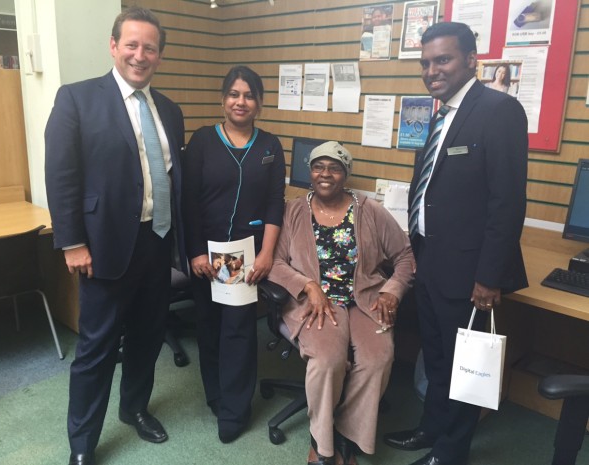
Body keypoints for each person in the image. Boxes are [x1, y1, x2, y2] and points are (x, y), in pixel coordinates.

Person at [44, 7, 187, 465]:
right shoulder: (77, 100)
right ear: (113, 46)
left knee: (148, 335)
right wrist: (72, 241)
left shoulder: (169, 109)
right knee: (96, 347)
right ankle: (82, 444)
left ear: (159, 55)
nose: (140, 55)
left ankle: (135, 409)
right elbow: (62, 176)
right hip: (103, 245)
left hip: (156, 241)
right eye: (132, 45)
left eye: (149, 48)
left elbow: (171, 174)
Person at [383, 22, 528, 465]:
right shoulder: (442, 112)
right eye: (426, 63)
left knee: (464, 367)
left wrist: (488, 277)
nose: (432, 71)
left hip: (468, 273)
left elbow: (506, 204)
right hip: (430, 261)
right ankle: (431, 428)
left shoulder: (498, 110)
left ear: (471, 59)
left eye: (442, 60)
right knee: (438, 357)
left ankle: (451, 452)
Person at [268, 141, 414, 465]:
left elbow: (404, 256)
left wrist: (392, 290)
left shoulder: (369, 210)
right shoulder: (293, 210)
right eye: (319, 167)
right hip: (314, 303)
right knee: (327, 358)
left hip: (365, 300)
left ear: (345, 174)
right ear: (310, 172)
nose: (325, 174)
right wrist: (308, 285)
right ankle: (321, 444)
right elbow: (275, 263)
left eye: (334, 168)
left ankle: (347, 435)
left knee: (379, 358)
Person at [182, 65, 286, 443]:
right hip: (207, 257)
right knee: (209, 329)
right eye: (234, 94)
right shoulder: (203, 141)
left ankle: (235, 411)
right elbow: (188, 203)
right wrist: (194, 253)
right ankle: (217, 395)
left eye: (249, 95)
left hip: (244, 256)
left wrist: (267, 254)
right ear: (223, 98)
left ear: (259, 102)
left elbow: (276, 204)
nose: (241, 102)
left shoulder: (270, 146)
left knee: (240, 332)